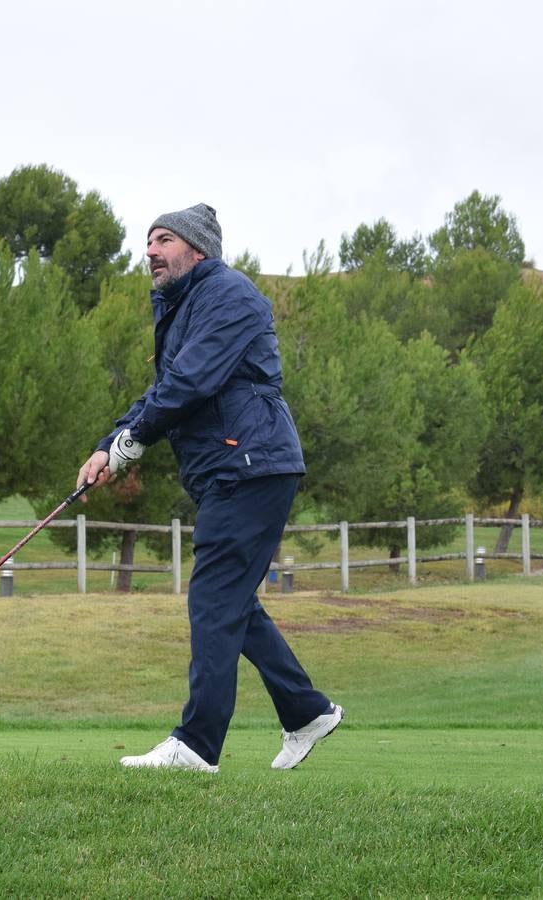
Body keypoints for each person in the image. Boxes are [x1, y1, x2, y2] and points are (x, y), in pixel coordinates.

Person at [76, 203, 342, 773]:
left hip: (250, 463)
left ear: (197, 249)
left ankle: (197, 745)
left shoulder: (230, 294)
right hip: (236, 467)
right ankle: (306, 711)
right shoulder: (181, 305)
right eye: (147, 242)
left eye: (164, 240)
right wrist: (112, 442)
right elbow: (166, 388)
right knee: (231, 603)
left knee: (212, 599)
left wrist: (132, 441)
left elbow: (191, 382)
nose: (150, 251)